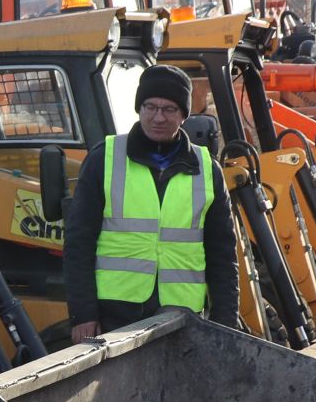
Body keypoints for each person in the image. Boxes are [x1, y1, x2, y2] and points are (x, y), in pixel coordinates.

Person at [63, 63, 240, 343]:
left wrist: (226, 323)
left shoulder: (208, 169)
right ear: (139, 108)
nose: (158, 117)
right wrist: (83, 313)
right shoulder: (104, 159)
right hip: (115, 315)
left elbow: (222, 254)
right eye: (150, 106)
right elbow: (78, 242)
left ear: (184, 114)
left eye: (169, 109)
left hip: (182, 317)